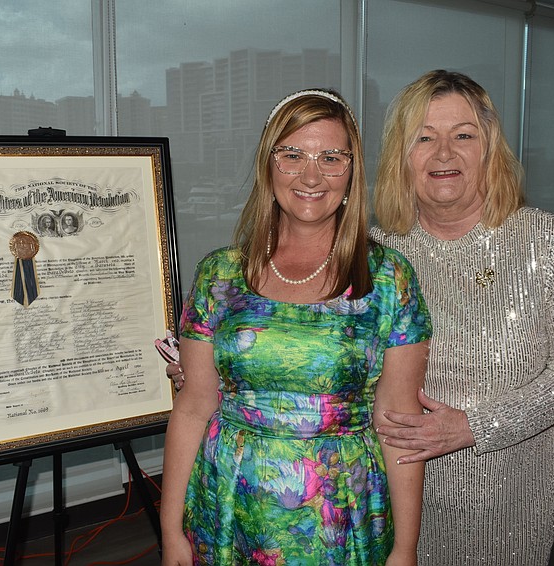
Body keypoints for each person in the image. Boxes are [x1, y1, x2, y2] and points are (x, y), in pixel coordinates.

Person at [160, 89, 432, 565]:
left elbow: (399, 425)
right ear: (270, 166)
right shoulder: (220, 275)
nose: (312, 175)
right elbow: (192, 407)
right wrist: (169, 534)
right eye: (293, 155)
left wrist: (405, 549)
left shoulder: (389, 279)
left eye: (332, 157)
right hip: (227, 506)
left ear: (352, 172)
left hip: (339, 517)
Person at [370, 70, 554, 565]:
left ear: (489, 150)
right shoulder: (377, 254)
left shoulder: (543, 239)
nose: (443, 153)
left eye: (463, 135)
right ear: (402, 156)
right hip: (398, 488)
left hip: (514, 494)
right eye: (424, 137)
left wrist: (475, 425)